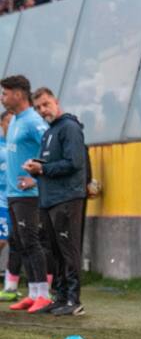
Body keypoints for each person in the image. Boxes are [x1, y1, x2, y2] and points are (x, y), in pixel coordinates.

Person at [22, 88, 88, 315]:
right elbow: (52, 164)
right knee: (56, 251)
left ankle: (73, 300)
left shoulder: (69, 127)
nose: (43, 110)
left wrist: (43, 168)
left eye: (46, 104)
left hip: (67, 198)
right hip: (50, 199)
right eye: (38, 107)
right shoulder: (49, 132)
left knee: (68, 249)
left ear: (56, 102)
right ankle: (60, 297)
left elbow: (75, 162)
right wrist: (35, 171)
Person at [1, 75, 50, 313]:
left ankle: (44, 294)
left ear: (18, 94)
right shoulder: (16, 120)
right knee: (20, 242)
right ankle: (33, 293)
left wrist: (36, 176)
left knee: (31, 242)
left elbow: (51, 148)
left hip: (28, 195)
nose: (2, 98)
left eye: (5, 93)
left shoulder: (32, 120)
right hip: (12, 194)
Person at [0, 111, 18, 302]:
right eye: (8, 122)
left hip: (17, 200)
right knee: (2, 240)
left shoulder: (16, 146)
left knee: (16, 242)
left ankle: (10, 286)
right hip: (1, 203)